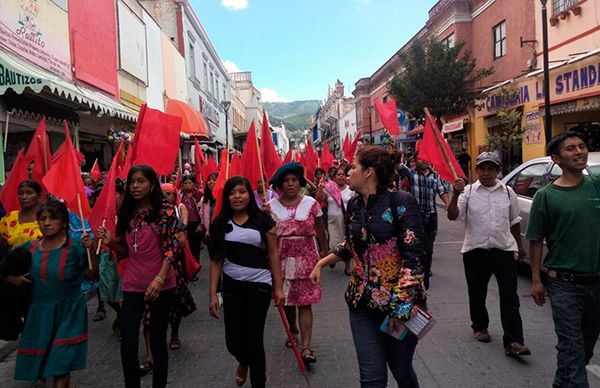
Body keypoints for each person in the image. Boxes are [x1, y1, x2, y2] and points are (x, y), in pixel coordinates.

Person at [309, 146, 426, 388]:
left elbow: (414, 259)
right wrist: (322, 261)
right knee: (372, 378)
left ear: (369, 172)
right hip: (361, 304)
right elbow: (352, 245)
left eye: (353, 167)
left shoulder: (402, 202)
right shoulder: (354, 205)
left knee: (401, 370)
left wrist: (399, 311)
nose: (347, 172)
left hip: (398, 308)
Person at [97, 165, 182, 388]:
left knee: (157, 340)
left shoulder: (166, 210)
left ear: (152, 184)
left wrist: (160, 278)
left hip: (162, 285)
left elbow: (173, 247)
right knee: (128, 343)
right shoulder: (126, 212)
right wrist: (110, 243)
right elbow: (125, 250)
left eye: (141, 181)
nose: (135, 186)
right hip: (133, 284)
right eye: (132, 181)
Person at [527, 131, 600, 388]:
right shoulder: (546, 196)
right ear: (556, 158)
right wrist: (536, 279)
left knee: (585, 349)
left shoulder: (597, 184)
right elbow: (535, 240)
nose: (579, 152)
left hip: (596, 283)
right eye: (571, 149)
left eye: (582, 146)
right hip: (564, 284)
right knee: (571, 348)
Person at [7, 199, 98, 388]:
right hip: (39, 315)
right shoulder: (28, 249)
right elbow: (5, 270)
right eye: (42, 219)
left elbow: (92, 275)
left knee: (60, 366)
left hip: (69, 314)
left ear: (64, 222)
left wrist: (90, 251)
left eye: (53, 218)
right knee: (43, 365)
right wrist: (12, 279)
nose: (47, 223)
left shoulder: (77, 248)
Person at [447, 152, 530, 356]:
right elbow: (452, 216)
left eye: (490, 168)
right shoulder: (467, 192)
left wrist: (519, 247)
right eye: (482, 168)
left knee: (510, 296)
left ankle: (513, 341)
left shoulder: (508, 192)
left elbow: (514, 221)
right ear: (476, 170)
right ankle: (480, 326)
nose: (486, 172)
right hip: (476, 251)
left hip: (503, 250)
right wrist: (455, 194)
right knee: (477, 292)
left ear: (497, 170)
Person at [209, 176, 284, 387]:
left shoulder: (263, 220)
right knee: (232, 341)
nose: (237, 196)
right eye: (232, 192)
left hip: (259, 286)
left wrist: (278, 288)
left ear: (248, 195)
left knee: (254, 339)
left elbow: (273, 254)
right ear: (226, 197)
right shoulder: (219, 224)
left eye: (241, 191)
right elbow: (216, 260)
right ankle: (243, 361)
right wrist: (212, 294)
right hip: (232, 287)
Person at [268, 163, 328, 366]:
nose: (291, 184)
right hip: (282, 261)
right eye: (286, 181)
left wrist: (325, 251)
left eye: (294, 180)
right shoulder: (271, 207)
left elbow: (320, 229)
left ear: (300, 182)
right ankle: (292, 328)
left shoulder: (311, 204)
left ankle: (306, 346)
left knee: (304, 302)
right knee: (286, 301)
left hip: (307, 260)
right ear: (279, 185)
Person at [399, 152, 449, 289]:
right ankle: (416, 274)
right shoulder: (411, 173)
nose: (425, 161)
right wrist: (393, 147)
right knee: (416, 247)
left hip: (431, 216)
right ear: (414, 160)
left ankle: (426, 273)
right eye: (421, 158)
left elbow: (442, 191)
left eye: (427, 158)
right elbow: (398, 166)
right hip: (416, 217)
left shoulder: (435, 175)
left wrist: (448, 204)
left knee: (429, 248)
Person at [161, 182, 196, 351]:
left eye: (169, 194)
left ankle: (174, 333)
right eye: (163, 194)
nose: (167, 197)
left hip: (175, 259)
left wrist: (177, 228)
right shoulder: (151, 213)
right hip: (154, 262)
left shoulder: (178, 209)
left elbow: (184, 224)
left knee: (175, 299)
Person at [316, 166, 354, 275]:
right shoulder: (329, 188)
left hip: (346, 220)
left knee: (346, 244)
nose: (341, 176)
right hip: (332, 219)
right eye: (339, 174)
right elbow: (320, 199)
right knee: (333, 243)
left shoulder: (350, 189)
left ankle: (347, 267)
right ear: (334, 177)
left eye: (343, 174)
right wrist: (320, 188)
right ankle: (334, 256)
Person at [0, 180, 43, 250]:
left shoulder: (45, 218)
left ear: (39, 196)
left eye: (29, 193)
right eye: (20, 193)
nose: (24, 197)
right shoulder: (10, 218)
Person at [180, 175, 203, 262]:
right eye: (185, 183)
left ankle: (195, 268)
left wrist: (201, 224)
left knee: (195, 248)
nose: (188, 185)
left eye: (190, 183)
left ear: (193, 184)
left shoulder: (199, 194)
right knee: (185, 248)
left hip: (196, 224)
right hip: (184, 224)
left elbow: (203, 211)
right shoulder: (180, 195)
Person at [199, 172, 218, 249]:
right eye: (209, 180)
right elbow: (202, 214)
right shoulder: (204, 199)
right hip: (209, 233)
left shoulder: (224, 198)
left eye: (214, 179)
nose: (211, 182)